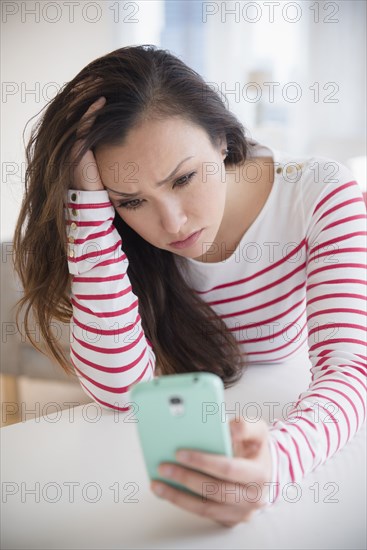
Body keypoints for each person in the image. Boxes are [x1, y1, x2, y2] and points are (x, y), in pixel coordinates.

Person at [13, 45, 367, 526]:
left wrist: (281, 459)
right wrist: (92, 210)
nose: (173, 224)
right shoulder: (111, 224)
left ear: (222, 139)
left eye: (182, 179)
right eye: (133, 201)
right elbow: (121, 391)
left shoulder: (320, 194)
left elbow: (350, 369)